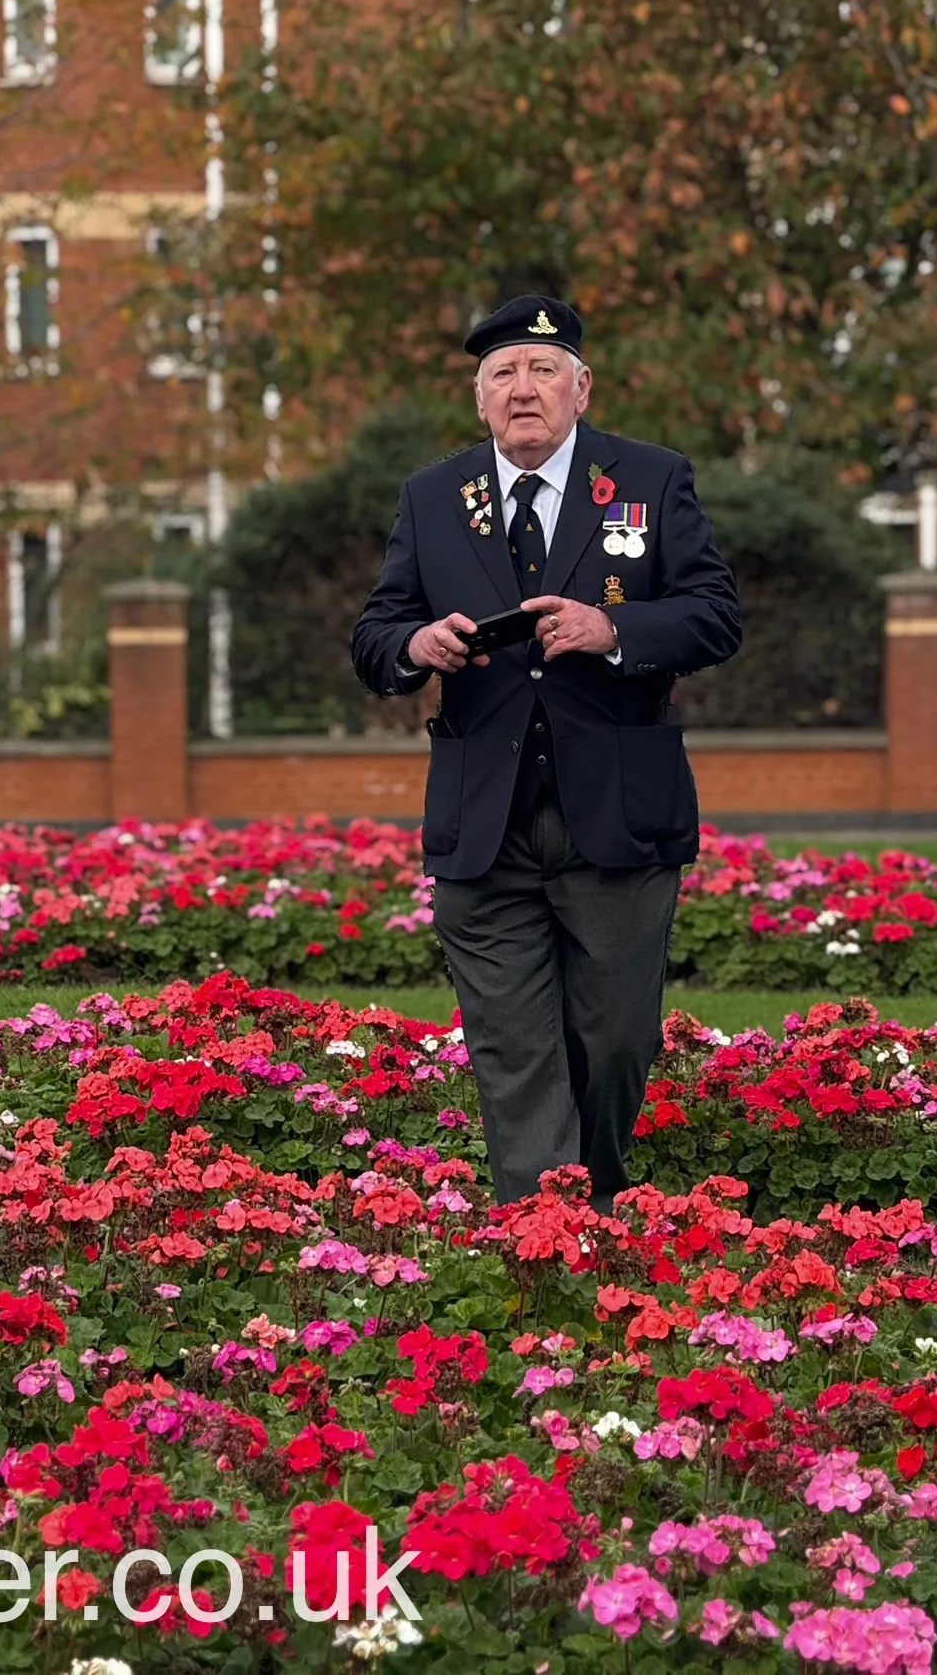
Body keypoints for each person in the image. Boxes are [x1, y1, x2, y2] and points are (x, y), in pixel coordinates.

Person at [350, 295, 742, 1213]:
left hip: (617, 815)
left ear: (579, 387)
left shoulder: (650, 479)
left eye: (540, 369)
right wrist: (414, 648)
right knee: (513, 1048)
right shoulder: (434, 498)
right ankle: (547, 1237)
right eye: (502, 375)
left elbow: (716, 614)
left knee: (612, 1041)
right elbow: (374, 633)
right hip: (482, 823)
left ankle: (593, 1195)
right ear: (479, 397)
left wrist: (613, 627)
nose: (521, 389)